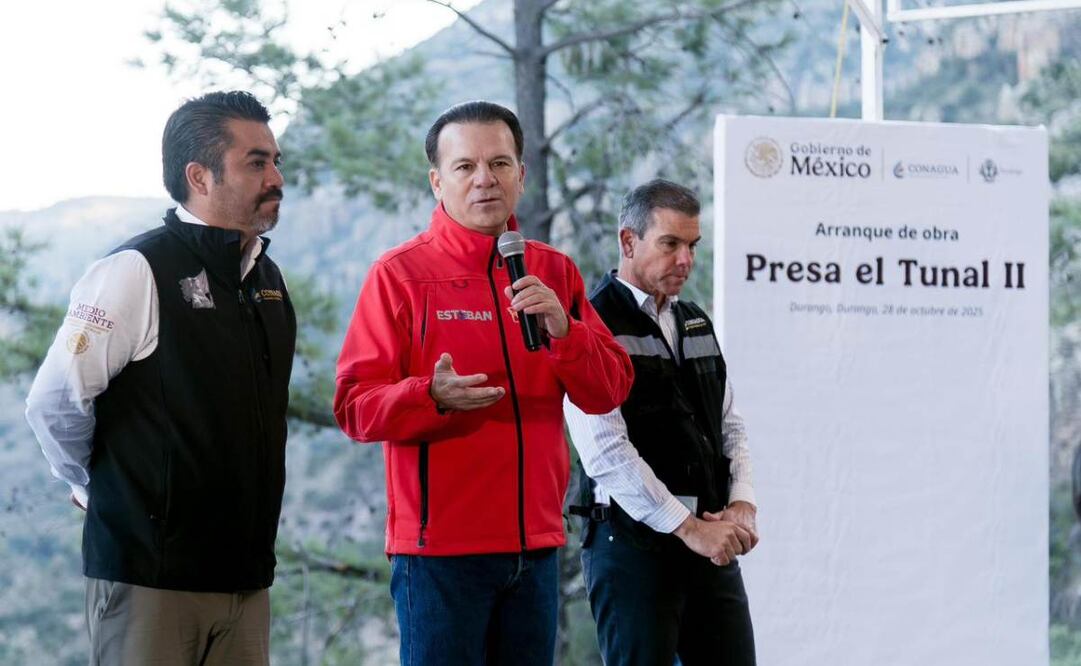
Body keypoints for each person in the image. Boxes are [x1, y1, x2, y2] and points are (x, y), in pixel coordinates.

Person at [333, 100, 633, 665]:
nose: (484, 180)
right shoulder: (399, 275)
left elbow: (609, 390)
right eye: (465, 166)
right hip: (441, 559)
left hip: (537, 552)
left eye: (499, 163)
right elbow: (353, 406)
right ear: (436, 181)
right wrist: (430, 396)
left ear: (521, 174)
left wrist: (567, 331)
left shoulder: (554, 270)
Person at [25, 91, 295, 665]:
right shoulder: (135, 270)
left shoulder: (267, 278)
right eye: (256, 162)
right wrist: (94, 489)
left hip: (247, 581)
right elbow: (53, 403)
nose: (275, 176)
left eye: (275, 161)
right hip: (150, 581)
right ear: (200, 175)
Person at [565, 179, 758, 666]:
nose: (685, 260)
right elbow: (606, 454)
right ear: (628, 241)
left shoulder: (695, 320)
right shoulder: (589, 324)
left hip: (709, 541)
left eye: (692, 245)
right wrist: (687, 527)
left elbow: (729, 423)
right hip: (632, 548)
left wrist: (742, 504)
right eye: (669, 244)